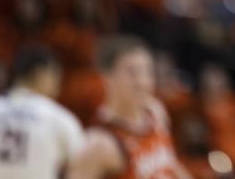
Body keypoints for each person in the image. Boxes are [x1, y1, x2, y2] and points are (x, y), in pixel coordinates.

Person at [68, 36, 192, 179]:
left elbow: (170, 164)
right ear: (106, 77)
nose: (143, 81)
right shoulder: (99, 144)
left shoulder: (155, 111)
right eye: (133, 73)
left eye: (148, 72)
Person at [0, 45, 84, 179]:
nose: (58, 84)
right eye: (56, 75)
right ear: (41, 74)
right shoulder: (57, 117)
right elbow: (83, 166)